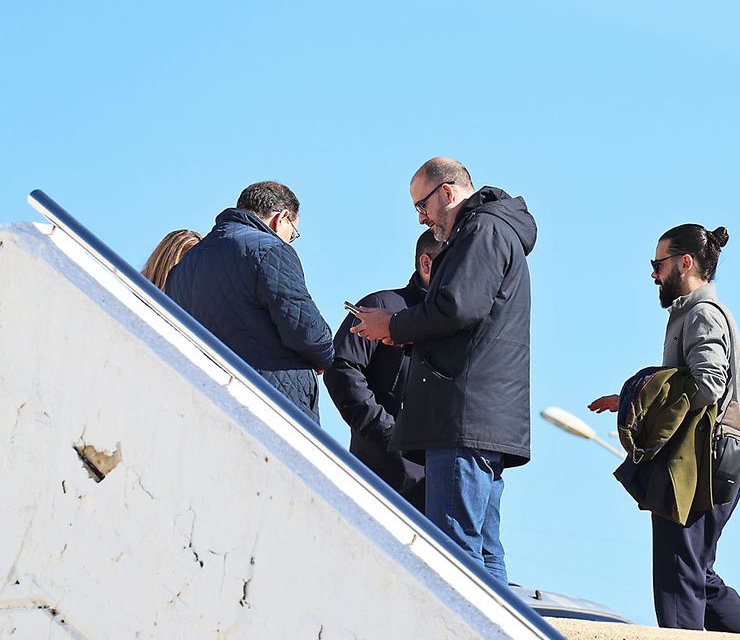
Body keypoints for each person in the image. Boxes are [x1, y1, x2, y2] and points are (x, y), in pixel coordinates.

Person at [350, 158, 536, 583]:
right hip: (480, 419)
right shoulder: (493, 230)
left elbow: (457, 307)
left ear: (447, 193)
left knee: (456, 553)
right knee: (482, 550)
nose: (421, 218)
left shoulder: (481, 230)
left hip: (462, 418)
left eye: (422, 205)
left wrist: (393, 326)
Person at [588, 225, 740, 635]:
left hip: (700, 463)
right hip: (710, 460)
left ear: (684, 263)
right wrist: (631, 397)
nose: (653, 274)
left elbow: (709, 384)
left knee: (678, 571)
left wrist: (645, 392)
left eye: (658, 263)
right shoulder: (694, 312)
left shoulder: (701, 314)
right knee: (695, 570)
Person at [166, 182, 333, 419]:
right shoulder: (271, 250)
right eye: (292, 234)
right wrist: (326, 353)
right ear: (281, 218)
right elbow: (307, 331)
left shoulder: (184, 266)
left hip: (203, 400)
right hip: (268, 402)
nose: (289, 241)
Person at [326, 230, 441, 510]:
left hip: (440, 481)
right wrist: (386, 431)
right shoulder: (381, 307)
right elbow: (341, 367)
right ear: (426, 264)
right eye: (454, 263)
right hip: (380, 479)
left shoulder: (462, 323)